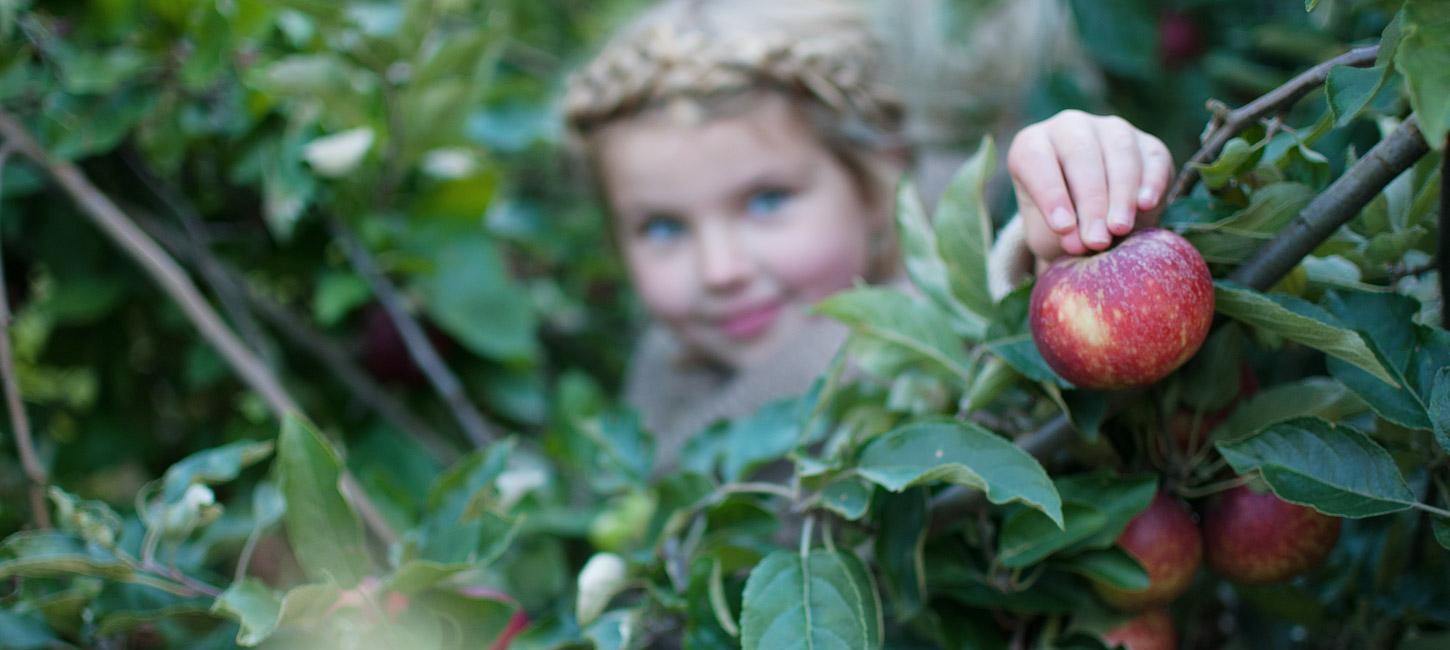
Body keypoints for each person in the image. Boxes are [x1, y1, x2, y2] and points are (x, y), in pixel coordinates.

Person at [561, 0, 1172, 470]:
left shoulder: (942, 337)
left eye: (767, 200)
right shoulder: (660, 386)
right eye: (662, 226)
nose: (720, 270)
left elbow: (997, 324)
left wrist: (1070, 240)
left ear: (876, 181)